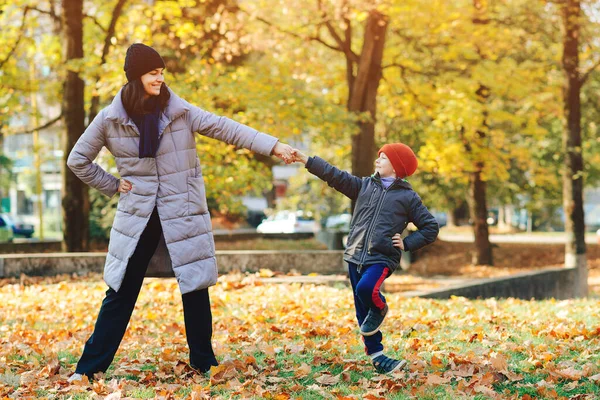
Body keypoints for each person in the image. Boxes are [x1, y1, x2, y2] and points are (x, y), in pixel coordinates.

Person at [66, 43, 294, 382]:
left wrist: (273, 146)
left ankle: (204, 364)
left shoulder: (178, 110)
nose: (160, 79)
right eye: (152, 73)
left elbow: (225, 127)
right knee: (121, 291)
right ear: (135, 77)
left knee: (195, 285)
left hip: (182, 210)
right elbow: (77, 160)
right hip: (139, 215)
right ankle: (88, 369)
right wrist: (113, 185)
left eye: (161, 73)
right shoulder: (111, 118)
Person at [291, 144, 439, 374]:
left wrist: (407, 243)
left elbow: (430, 227)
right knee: (362, 312)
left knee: (367, 288)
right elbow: (334, 175)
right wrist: (306, 160)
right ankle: (378, 357)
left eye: (383, 158)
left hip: (381, 257)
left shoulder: (408, 197)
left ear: (397, 167)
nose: (377, 161)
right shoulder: (364, 186)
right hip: (354, 255)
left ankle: (380, 308)